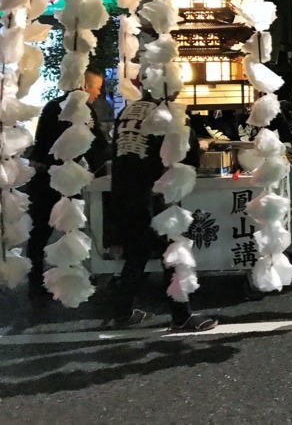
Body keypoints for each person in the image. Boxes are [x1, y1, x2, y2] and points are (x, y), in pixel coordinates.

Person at [107, 92, 217, 331]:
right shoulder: (171, 113)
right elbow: (187, 158)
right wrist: (201, 147)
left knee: (137, 254)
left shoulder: (128, 111)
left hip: (123, 190)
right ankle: (181, 316)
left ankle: (122, 312)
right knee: (172, 252)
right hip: (156, 193)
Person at [26, 69, 111, 301]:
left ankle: (35, 281)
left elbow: (42, 144)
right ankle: (72, 277)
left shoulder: (52, 106)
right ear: (85, 87)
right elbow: (97, 146)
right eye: (96, 88)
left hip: (43, 176)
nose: (97, 93)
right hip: (63, 179)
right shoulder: (82, 109)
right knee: (71, 229)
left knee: (40, 232)